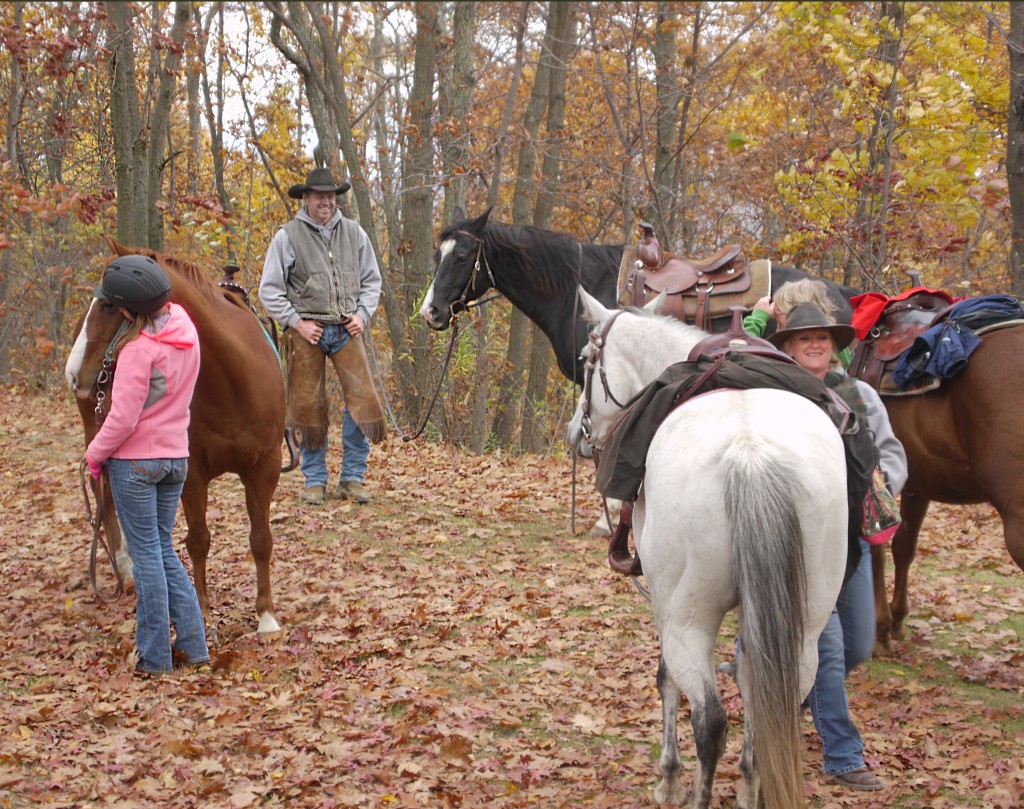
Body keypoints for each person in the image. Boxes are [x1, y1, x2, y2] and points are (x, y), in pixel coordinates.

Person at [766, 301, 908, 792]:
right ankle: (844, 757)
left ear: (835, 345)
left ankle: (772, 683)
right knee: (825, 649)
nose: (814, 343)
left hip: (853, 538)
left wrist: (885, 483)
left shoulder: (860, 393)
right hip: (802, 543)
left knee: (857, 645)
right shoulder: (775, 393)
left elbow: (890, 450)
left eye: (823, 337)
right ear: (786, 347)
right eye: (803, 337)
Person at [84, 255, 209, 675]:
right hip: (176, 458)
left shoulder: (138, 352)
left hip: (136, 464)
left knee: (147, 557)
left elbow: (122, 419)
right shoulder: (185, 328)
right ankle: (194, 644)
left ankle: (154, 658)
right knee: (163, 551)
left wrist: (94, 454)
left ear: (125, 311)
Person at [259, 167, 386, 506]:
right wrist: (296, 322)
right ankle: (315, 481)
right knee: (308, 406)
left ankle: (353, 478)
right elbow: (269, 290)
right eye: (320, 197)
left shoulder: (354, 233)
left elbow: (372, 281)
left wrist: (362, 314)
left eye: (331, 196)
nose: (326, 202)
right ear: (306, 199)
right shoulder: (287, 236)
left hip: (347, 328)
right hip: (308, 332)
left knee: (361, 401)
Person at [744, 278, 854, 368]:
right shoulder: (834, 342)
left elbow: (740, 354)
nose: (773, 315)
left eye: (778, 310)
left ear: (794, 311)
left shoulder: (797, 352)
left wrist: (758, 318)